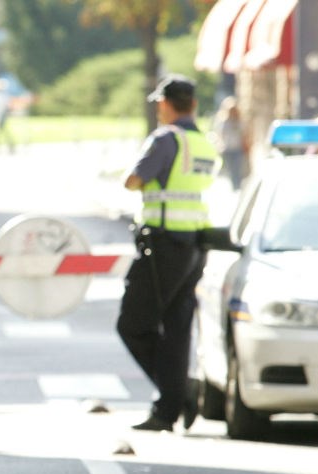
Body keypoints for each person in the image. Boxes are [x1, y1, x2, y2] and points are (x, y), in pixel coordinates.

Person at [119, 75, 218, 432]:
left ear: (165, 104)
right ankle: (169, 407)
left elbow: (132, 180)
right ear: (192, 104)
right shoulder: (202, 142)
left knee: (133, 324)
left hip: (163, 244)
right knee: (177, 328)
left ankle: (177, 393)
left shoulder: (166, 138)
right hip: (194, 244)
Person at [211, 96, 248, 190]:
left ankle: (237, 186)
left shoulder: (239, 121)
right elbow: (219, 134)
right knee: (230, 169)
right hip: (227, 148)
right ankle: (234, 186)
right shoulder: (223, 121)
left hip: (237, 148)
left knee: (237, 168)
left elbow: (244, 135)